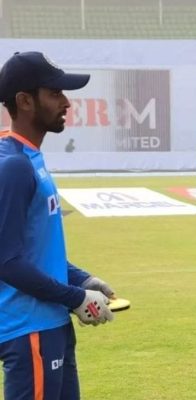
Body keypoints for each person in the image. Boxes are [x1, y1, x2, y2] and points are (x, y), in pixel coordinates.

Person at [0, 51, 116, 400]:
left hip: (51, 325)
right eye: (54, 93)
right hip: (30, 331)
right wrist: (76, 297)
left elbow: (34, 248)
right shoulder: (14, 166)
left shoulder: (28, 158)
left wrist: (81, 279)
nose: (66, 102)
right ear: (25, 101)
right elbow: (7, 261)